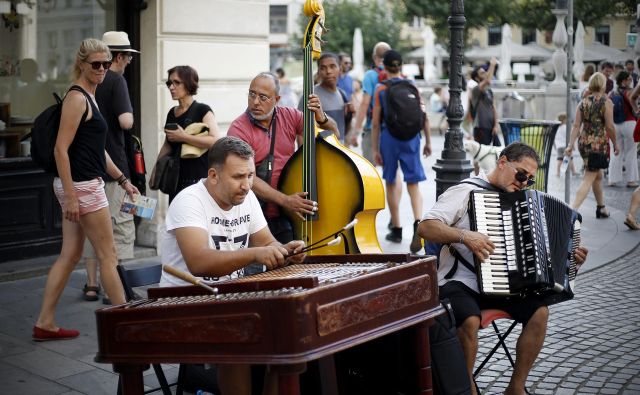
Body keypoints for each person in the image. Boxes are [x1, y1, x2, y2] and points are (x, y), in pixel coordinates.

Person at [417, 142, 589, 395]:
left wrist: (569, 258)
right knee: (470, 319)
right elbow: (426, 227)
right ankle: (465, 388)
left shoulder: (524, 202)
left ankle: (516, 387)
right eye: (521, 173)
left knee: (539, 313)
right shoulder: (465, 191)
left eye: (529, 179)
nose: (523, 182)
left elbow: (543, 252)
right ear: (502, 162)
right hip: (460, 281)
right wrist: (465, 236)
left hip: (506, 284)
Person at [160, 136, 306, 395]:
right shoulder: (189, 200)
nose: (247, 185)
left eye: (250, 175)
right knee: (239, 336)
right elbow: (198, 262)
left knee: (292, 334)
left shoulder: (246, 198)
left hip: (229, 298)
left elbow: (267, 242)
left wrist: (286, 252)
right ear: (214, 175)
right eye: (239, 177)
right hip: (186, 303)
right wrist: (254, 254)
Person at [33, 38, 137, 341]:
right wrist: (72, 197)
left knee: (71, 254)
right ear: (82, 64)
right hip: (82, 186)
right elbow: (60, 150)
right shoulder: (78, 98)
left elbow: (96, 150)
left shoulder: (88, 95)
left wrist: (122, 180)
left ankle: (45, 322)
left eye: (106, 64)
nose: (102, 69)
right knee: (109, 254)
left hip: (80, 184)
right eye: (96, 64)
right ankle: (125, 325)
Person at [227, 72, 338, 244]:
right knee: (257, 269)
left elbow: (334, 135)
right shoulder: (238, 129)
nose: (255, 102)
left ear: (277, 99)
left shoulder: (290, 116)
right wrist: (286, 200)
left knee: (291, 264)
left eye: (263, 97)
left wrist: (321, 117)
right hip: (252, 216)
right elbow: (246, 176)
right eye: (252, 94)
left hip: (288, 215)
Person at [81, 31, 139, 303]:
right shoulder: (117, 81)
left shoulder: (84, 84)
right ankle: (115, 287)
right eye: (127, 56)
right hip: (114, 164)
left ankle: (92, 284)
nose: (128, 61)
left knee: (94, 231)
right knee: (121, 227)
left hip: (89, 166)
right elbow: (126, 122)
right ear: (118, 56)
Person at [371, 50, 431, 251]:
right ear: (401, 66)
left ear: (384, 67)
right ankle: (418, 222)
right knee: (413, 184)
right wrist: (429, 141)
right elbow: (424, 116)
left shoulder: (381, 89)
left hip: (390, 138)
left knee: (390, 181)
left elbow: (376, 123)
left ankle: (396, 228)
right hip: (412, 138)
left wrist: (374, 148)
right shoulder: (412, 86)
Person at [153, 65, 221, 202]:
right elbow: (168, 144)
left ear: (189, 83)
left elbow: (215, 141)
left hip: (198, 180)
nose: (171, 87)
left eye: (176, 82)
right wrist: (156, 170)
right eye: (169, 83)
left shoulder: (202, 110)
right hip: (175, 178)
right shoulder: (172, 113)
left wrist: (183, 137)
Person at [565, 72, 620, 217]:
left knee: (598, 175)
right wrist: (615, 143)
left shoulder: (583, 102)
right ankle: (571, 211)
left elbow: (576, 125)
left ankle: (601, 208)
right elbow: (609, 126)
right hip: (598, 144)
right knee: (589, 176)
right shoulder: (606, 102)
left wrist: (570, 145)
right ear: (603, 85)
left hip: (584, 143)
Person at [349, 41, 391, 164]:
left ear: (374, 57)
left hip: (372, 128)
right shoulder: (395, 73)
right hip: (393, 129)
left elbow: (365, 103)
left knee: (370, 170)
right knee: (392, 173)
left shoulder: (370, 75)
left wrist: (355, 132)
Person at [298, 52, 352, 142]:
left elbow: (343, 132)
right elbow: (300, 131)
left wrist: (350, 116)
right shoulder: (311, 95)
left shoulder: (342, 94)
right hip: (321, 153)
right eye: (323, 68)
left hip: (340, 152)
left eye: (332, 66)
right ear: (318, 71)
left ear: (340, 69)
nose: (328, 71)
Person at [607, 71, 639, 188]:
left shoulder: (612, 93)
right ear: (624, 81)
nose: (631, 81)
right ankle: (631, 180)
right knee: (631, 152)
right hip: (629, 123)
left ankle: (613, 179)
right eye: (629, 79)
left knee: (615, 151)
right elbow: (634, 104)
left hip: (615, 125)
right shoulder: (629, 92)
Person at [469, 58, 500, 160]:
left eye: (485, 71)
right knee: (480, 154)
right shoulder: (476, 90)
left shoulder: (489, 91)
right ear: (477, 78)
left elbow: (493, 108)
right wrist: (492, 65)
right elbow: (488, 80)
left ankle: (485, 174)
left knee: (491, 153)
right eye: (482, 73)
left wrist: (495, 125)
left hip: (490, 127)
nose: (486, 73)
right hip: (480, 127)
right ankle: (478, 175)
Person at [553, 112, 578, 177]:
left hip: (559, 146)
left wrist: (555, 146)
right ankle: (573, 172)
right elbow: (570, 136)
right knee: (569, 159)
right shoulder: (566, 127)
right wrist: (572, 145)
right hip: (566, 146)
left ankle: (558, 173)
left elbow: (555, 137)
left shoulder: (557, 127)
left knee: (560, 160)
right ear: (564, 119)